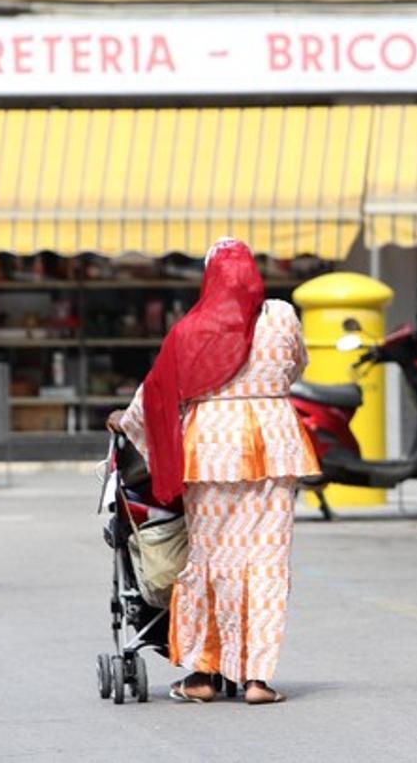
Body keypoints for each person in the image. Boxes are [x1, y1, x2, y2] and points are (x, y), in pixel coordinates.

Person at [108, 239, 318, 706]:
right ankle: (257, 680)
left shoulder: (192, 330)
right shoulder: (281, 317)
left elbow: (157, 391)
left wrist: (126, 419)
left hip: (212, 451)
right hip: (275, 444)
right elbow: (297, 365)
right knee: (266, 563)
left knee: (211, 559)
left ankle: (204, 674)